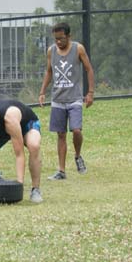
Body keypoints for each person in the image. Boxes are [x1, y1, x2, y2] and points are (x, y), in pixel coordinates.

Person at [38, 22, 95, 181]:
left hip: (75, 98)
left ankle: (77, 156)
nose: (58, 42)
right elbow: (49, 72)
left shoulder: (78, 49)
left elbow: (89, 69)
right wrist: (42, 92)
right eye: (56, 39)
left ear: (69, 36)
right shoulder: (51, 51)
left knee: (76, 130)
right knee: (61, 134)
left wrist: (90, 92)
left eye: (61, 38)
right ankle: (61, 171)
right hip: (57, 100)